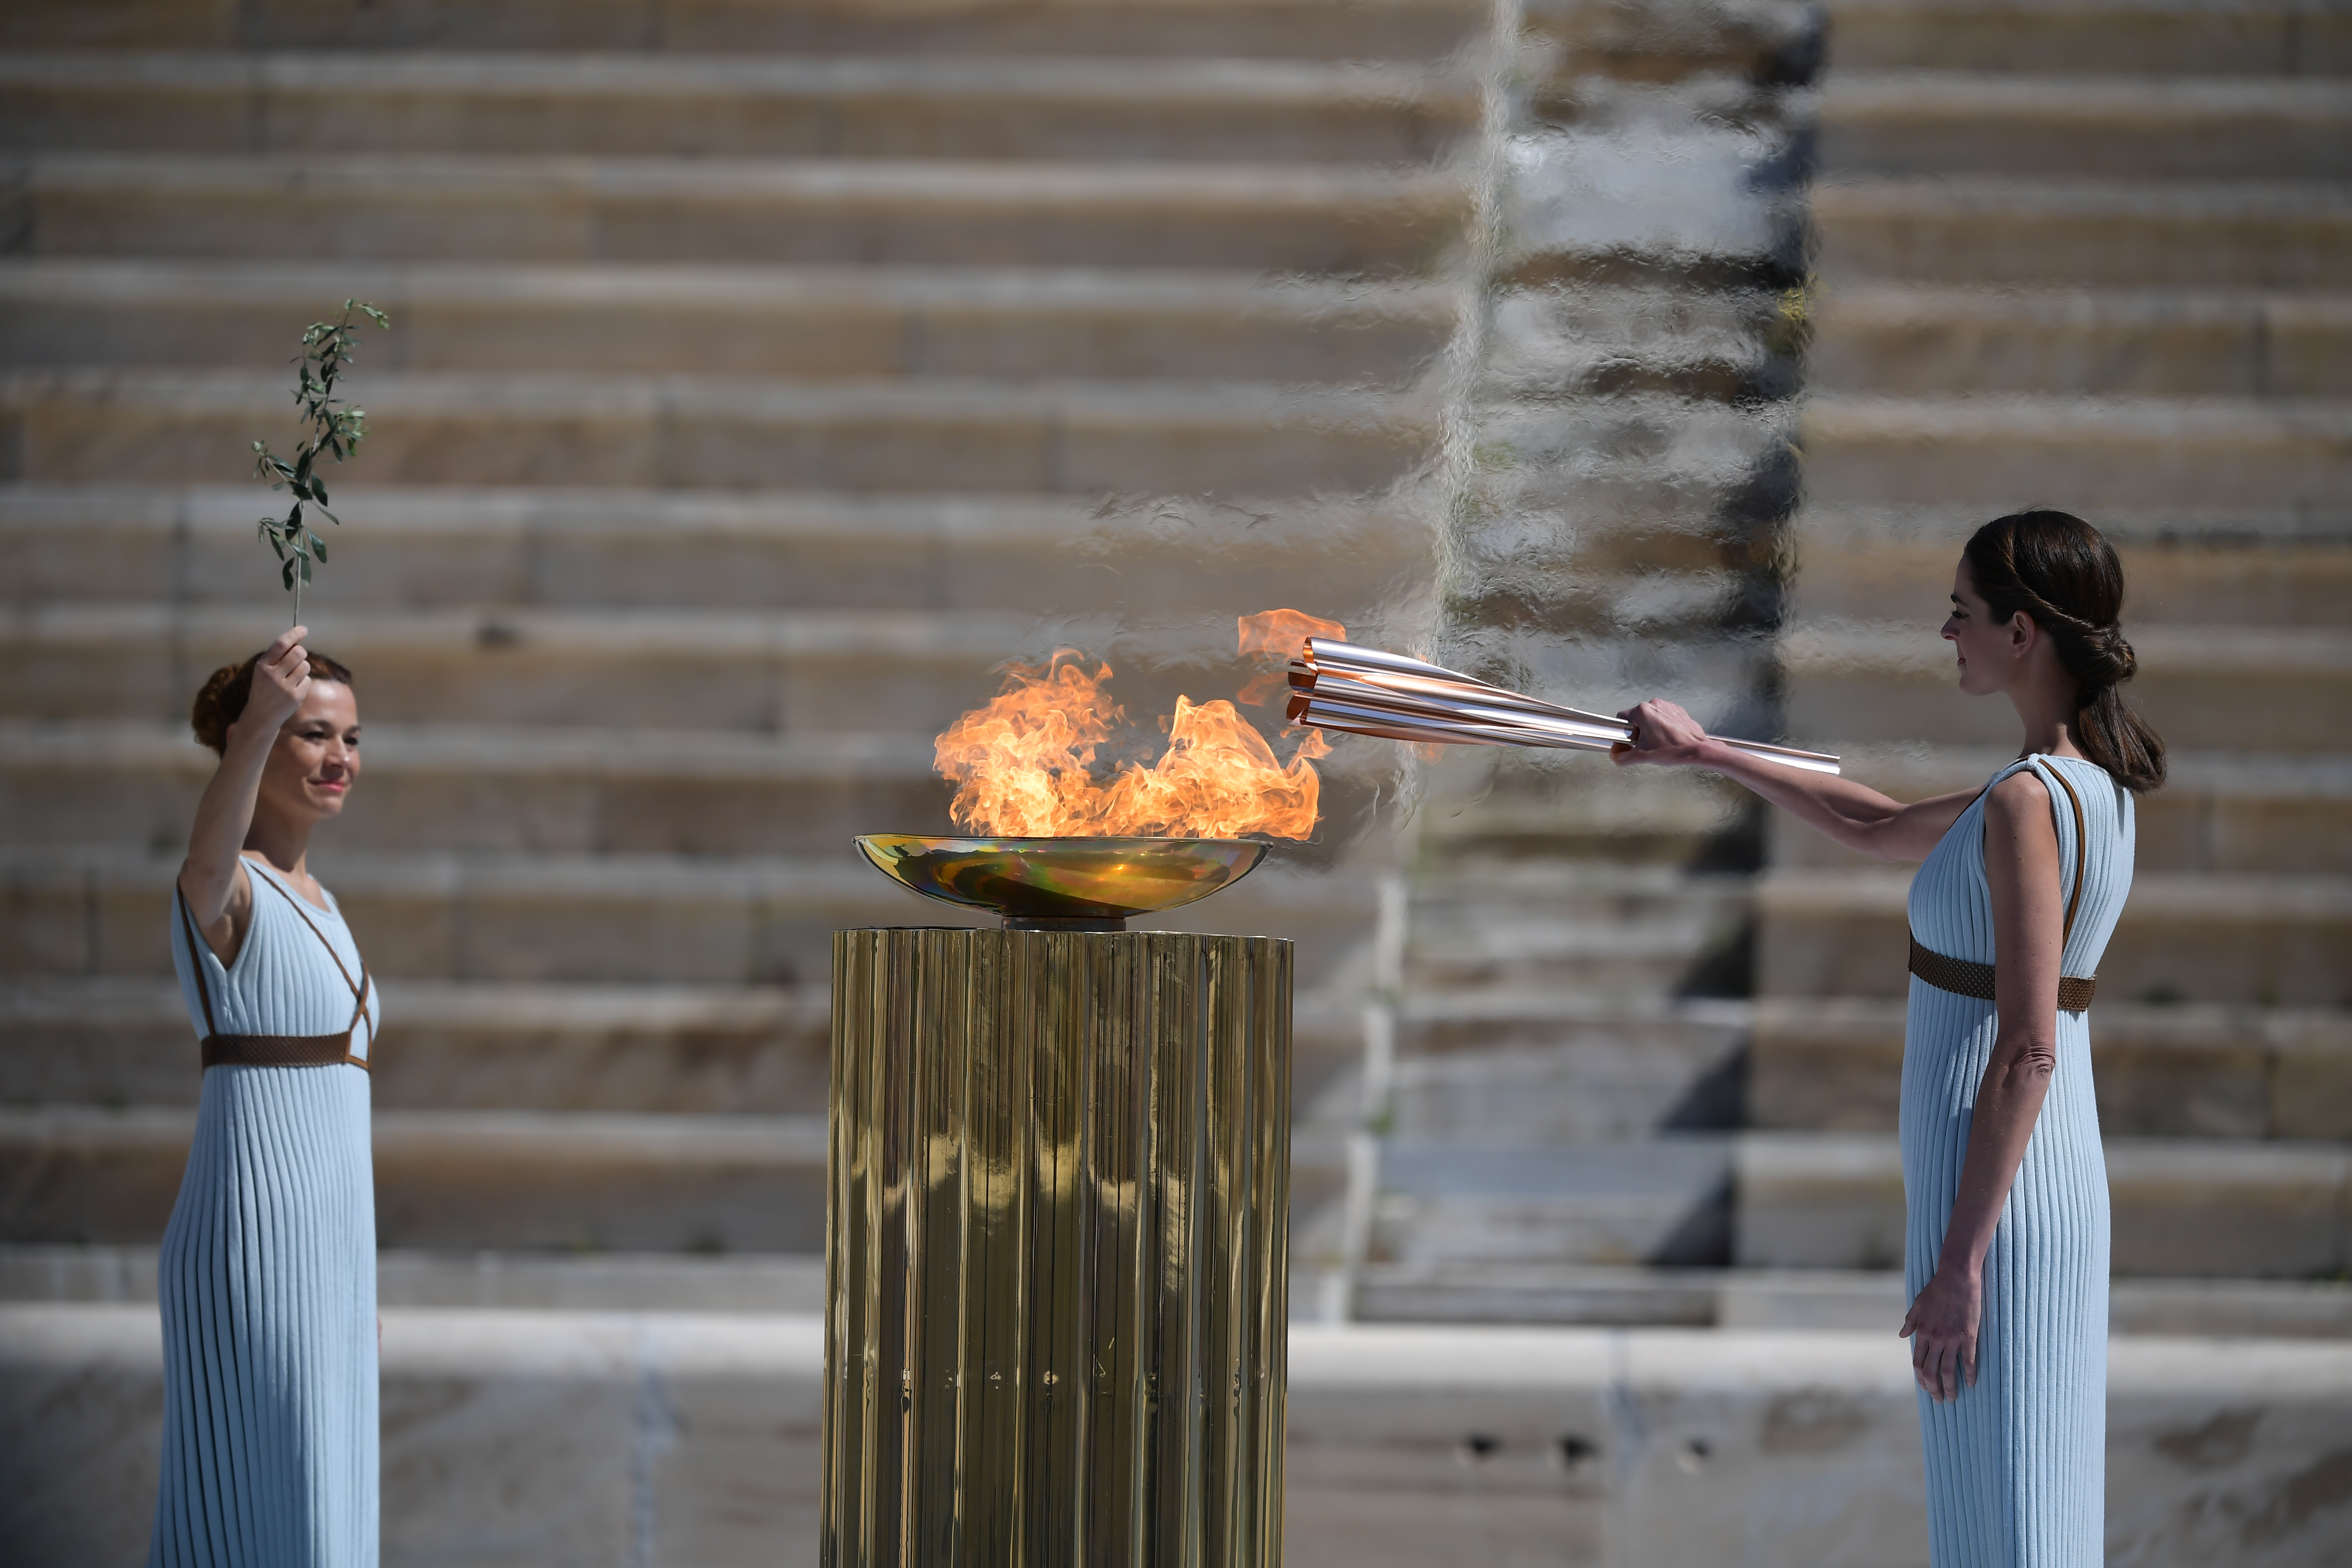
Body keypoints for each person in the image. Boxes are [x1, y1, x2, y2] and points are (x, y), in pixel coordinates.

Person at [1615, 509, 2163, 1565]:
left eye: (1962, 614)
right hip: (2027, 1191)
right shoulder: (2082, 792)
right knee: (2013, 1515)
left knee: (2013, 1525)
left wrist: (1962, 1258)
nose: (1946, 634)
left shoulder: (2026, 804)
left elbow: (2029, 1045)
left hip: (1997, 1206)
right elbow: (1872, 823)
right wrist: (1703, 751)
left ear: (2024, 634)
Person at [152, 625, 380, 1566]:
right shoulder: (230, 885)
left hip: (332, 1246)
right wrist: (257, 723)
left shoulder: (321, 897)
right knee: (265, 1507)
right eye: (313, 733)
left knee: (328, 1501)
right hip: (255, 1236)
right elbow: (203, 868)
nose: (340, 759)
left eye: (352, 738)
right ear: (260, 738)